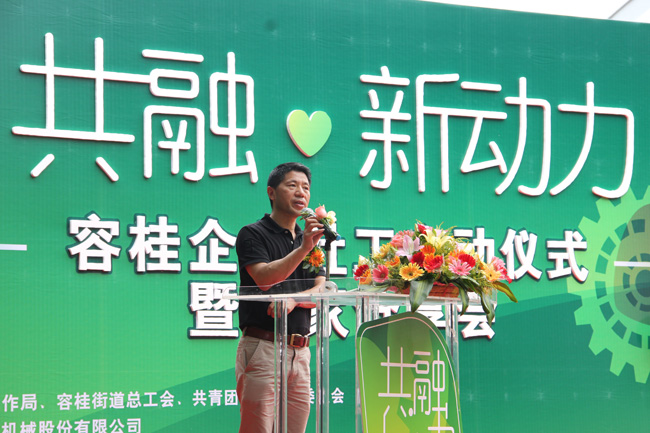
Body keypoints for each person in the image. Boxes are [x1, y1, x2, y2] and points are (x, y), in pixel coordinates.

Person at [235, 162, 325, 433]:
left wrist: (294, 300)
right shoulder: (253, 233)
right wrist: (303, 249)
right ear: (271, 192)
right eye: (292, 185)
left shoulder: (307, 238)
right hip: (264, 347)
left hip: (301, 352)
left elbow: (322, 290)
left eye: (306, 188)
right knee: (259, 428)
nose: (301, 193)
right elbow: (264, 279)